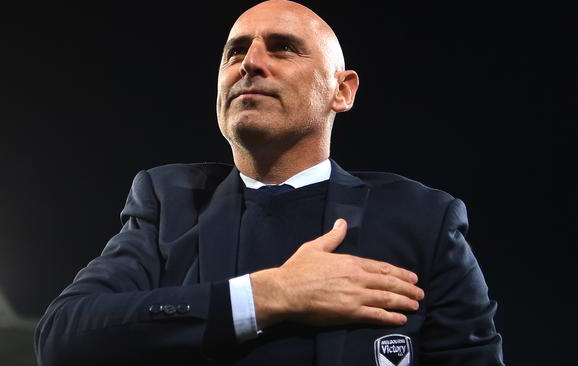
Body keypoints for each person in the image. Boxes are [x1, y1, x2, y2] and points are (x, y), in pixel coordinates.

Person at [34, 1, 503, 365]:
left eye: (282, 47)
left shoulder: (421, 219)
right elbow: (63, 340)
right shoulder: (169, 203)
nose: (250, 63)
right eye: (235, 51)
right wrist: (272, 294)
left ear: (342, 91)